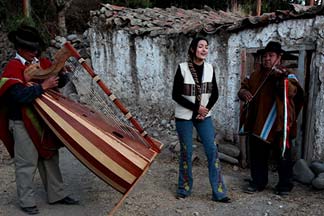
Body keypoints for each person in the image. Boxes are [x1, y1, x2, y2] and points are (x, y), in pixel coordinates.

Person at [0, 25, 78, 215]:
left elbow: (58, 83)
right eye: (30, 50)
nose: (34, 53)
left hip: (44, 121)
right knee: (26, 162)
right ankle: (26, 201)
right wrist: (43, 86)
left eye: (36, 49)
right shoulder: (13, 67)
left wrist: (62, 73)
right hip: (21, 121)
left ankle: (57, 194)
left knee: (50, 157)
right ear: (20, 49)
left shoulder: (41, 62)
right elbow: (18, 96)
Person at [238, 41, 304, 195]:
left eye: (271, 55)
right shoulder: (255, 75)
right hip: (259, 123)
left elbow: (292, 93)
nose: (267, 59)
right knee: (258, 154)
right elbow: (243, 87)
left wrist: (281, 80)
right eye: (265, 56)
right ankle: (258, 182)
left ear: (279, 57)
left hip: (279, 123)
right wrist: (242, 93)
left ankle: (284, 186)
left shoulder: (287, 75)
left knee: (283, 155)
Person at [172, 37, 230, 203]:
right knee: (187, 151)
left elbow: (215, 93)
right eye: (200, 46)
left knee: (212, 150)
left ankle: (219, 192)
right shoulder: (182, 68)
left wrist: (204, 111)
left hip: (204, 116)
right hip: (184, 116)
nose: (204, 49)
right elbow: (175, 95)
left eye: (206, 47)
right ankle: (183, 189)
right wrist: (196, 108)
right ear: (193, 49)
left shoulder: (210, 68)